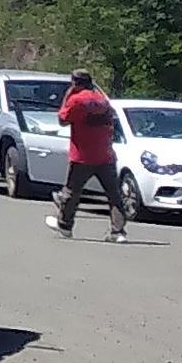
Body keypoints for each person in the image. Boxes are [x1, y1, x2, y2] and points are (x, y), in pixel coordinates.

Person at [51, 69, 129, 242]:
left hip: (82, 155)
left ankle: (65, 226)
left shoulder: (76, 100)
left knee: (72, 191)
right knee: (114, 194)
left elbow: (62, 119)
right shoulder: (102, 101)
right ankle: (118, 232)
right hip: (105, 155)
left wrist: (67, 96)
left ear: (74, 83)